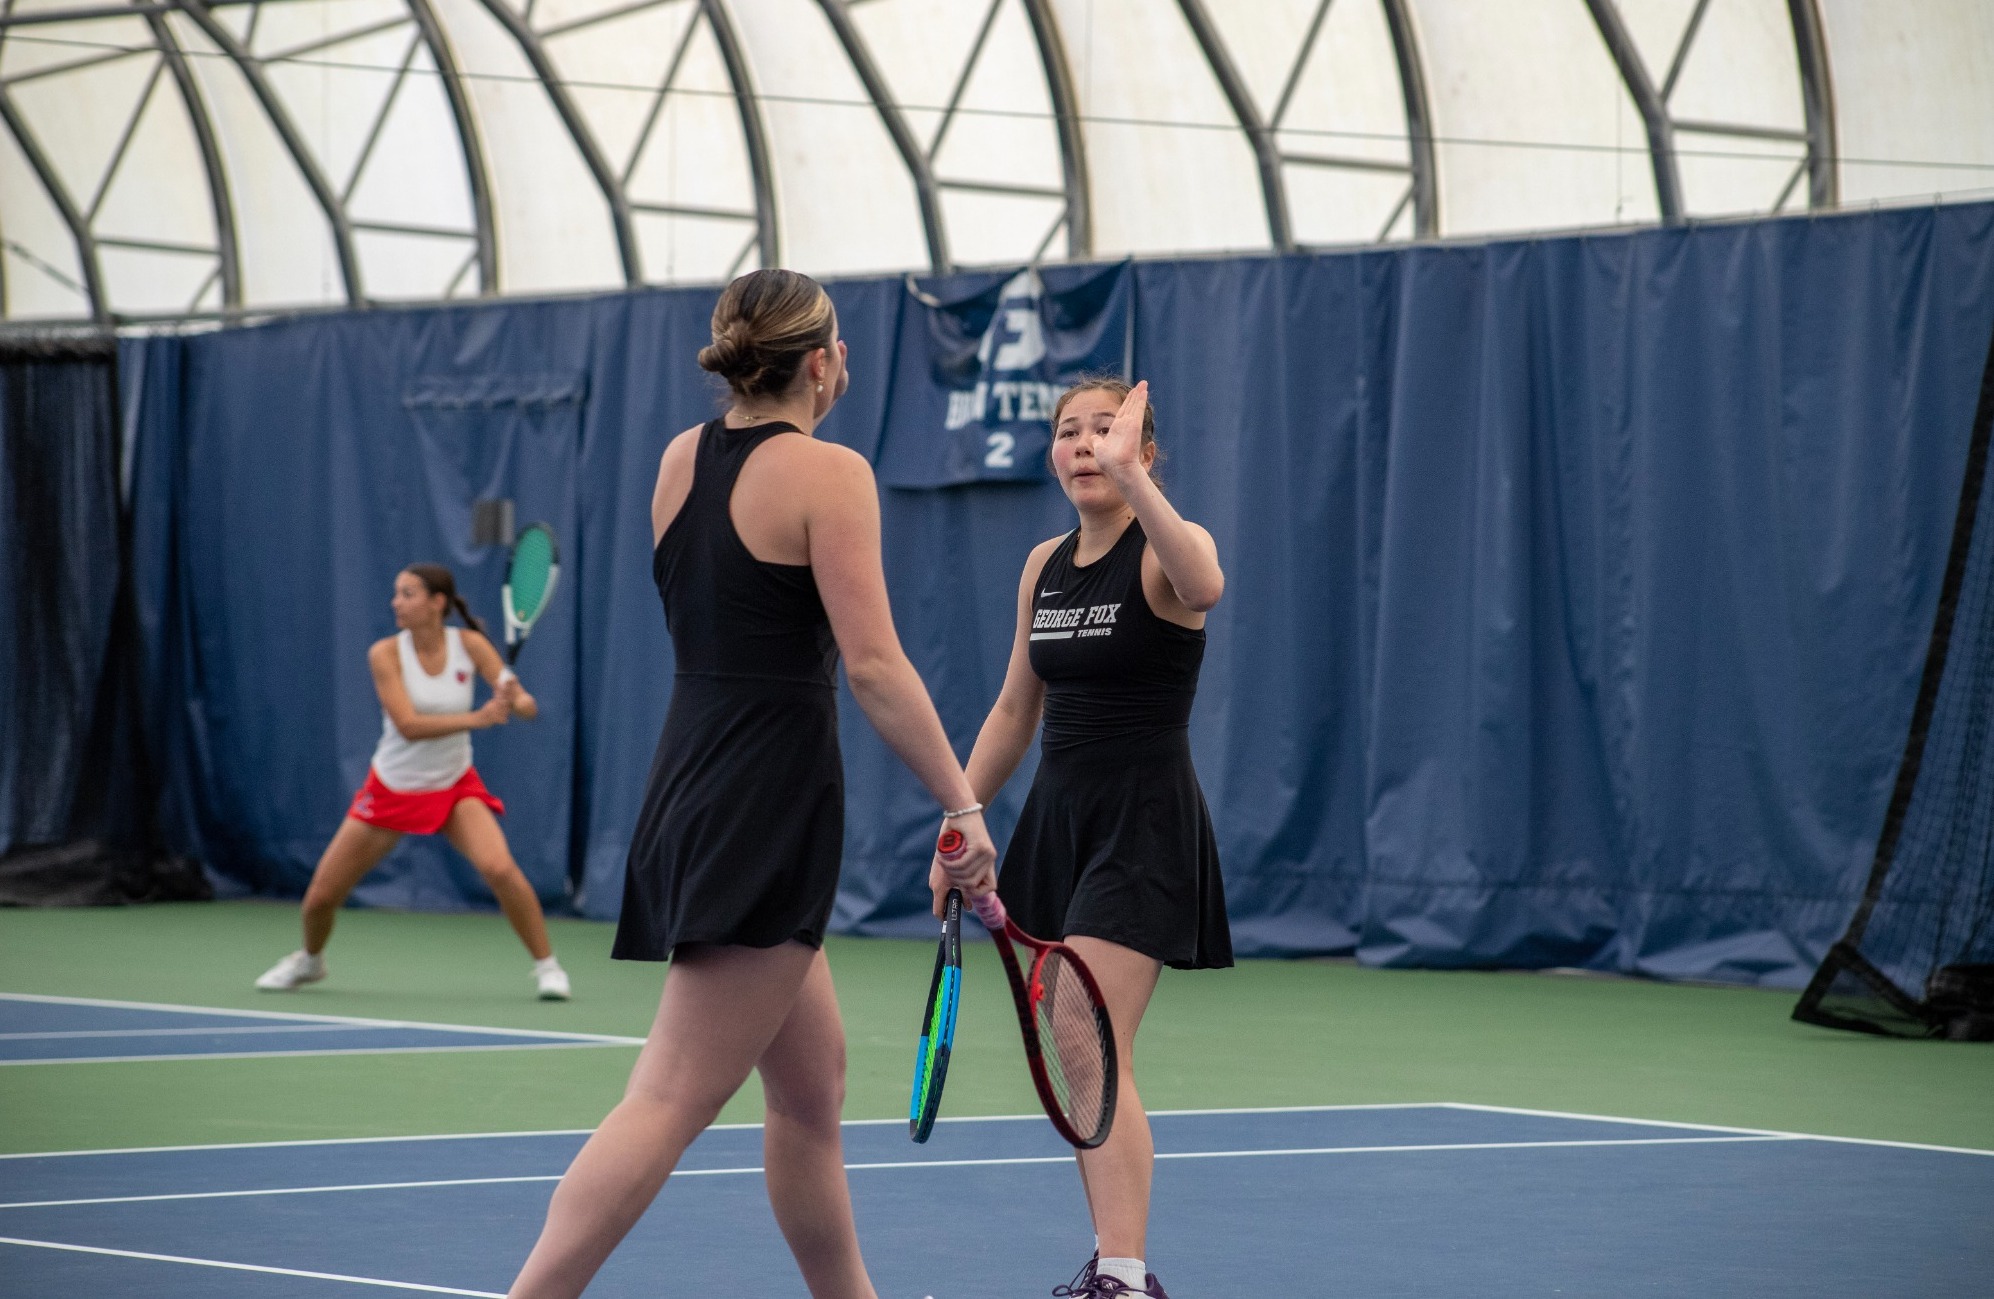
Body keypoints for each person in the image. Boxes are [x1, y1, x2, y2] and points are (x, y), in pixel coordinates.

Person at [506, 269, 997, 1299]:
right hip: (765, 797)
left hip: (692, 775)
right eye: (840, 347)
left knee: (810, 1093)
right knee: (668, 1097)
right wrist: (963, 804)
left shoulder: (678, 460)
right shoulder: (831, 473)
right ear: (821, 363)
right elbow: (873, 665)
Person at [939, 378, 1231, 1299]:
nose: (1084, 445)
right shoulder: (1044, 565)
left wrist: (1133, 479)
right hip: (1060, 821)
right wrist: (958, 815)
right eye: (1069, 431)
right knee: (1082, 1051)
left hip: (1144, 822)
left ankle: (1125, 1276)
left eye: (1106, 430)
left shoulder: (1169, 549)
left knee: (1082, 1027)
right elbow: (1013, 709)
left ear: (1144, 450)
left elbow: (1205, 586)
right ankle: (1115, 1265)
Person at [254, 564, 570, 1000]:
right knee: (321, 898)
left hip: (453, 786)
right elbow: (407, 725)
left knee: (499, 868)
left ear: (437, 602)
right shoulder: (384, 653)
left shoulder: (470, 645)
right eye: (396, 593)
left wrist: (517, 700)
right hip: (393, 788)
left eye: (407, 594)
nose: (396, 603)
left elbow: (524, 703)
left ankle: (548, 967)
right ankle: (310, 960)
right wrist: (478, 719)